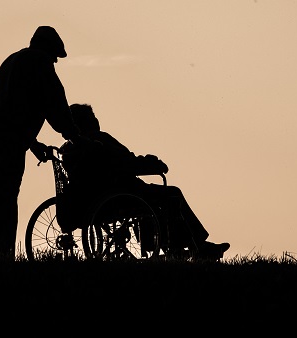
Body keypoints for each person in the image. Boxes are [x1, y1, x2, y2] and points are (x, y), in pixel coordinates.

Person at [0, 26, 88, 261]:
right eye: (55, 56)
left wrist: (32, 144)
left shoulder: (14, 59)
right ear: (48, 49)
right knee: (5, 195)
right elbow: (55, 105)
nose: (55, 61)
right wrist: (76, 136)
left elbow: (10, 111)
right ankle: (0, 256)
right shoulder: (40, 62)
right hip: (2, 134)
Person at [59, 102, 230, 261]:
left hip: (96, 199)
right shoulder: (99, 141)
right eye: (93, 117)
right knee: (172, 194)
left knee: (162, 198)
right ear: (89, 121)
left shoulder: (69, 149)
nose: (97, 120)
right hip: (120, 195)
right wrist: (152, 164)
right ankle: (193, 247)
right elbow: (127, 162)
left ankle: (188, 246)